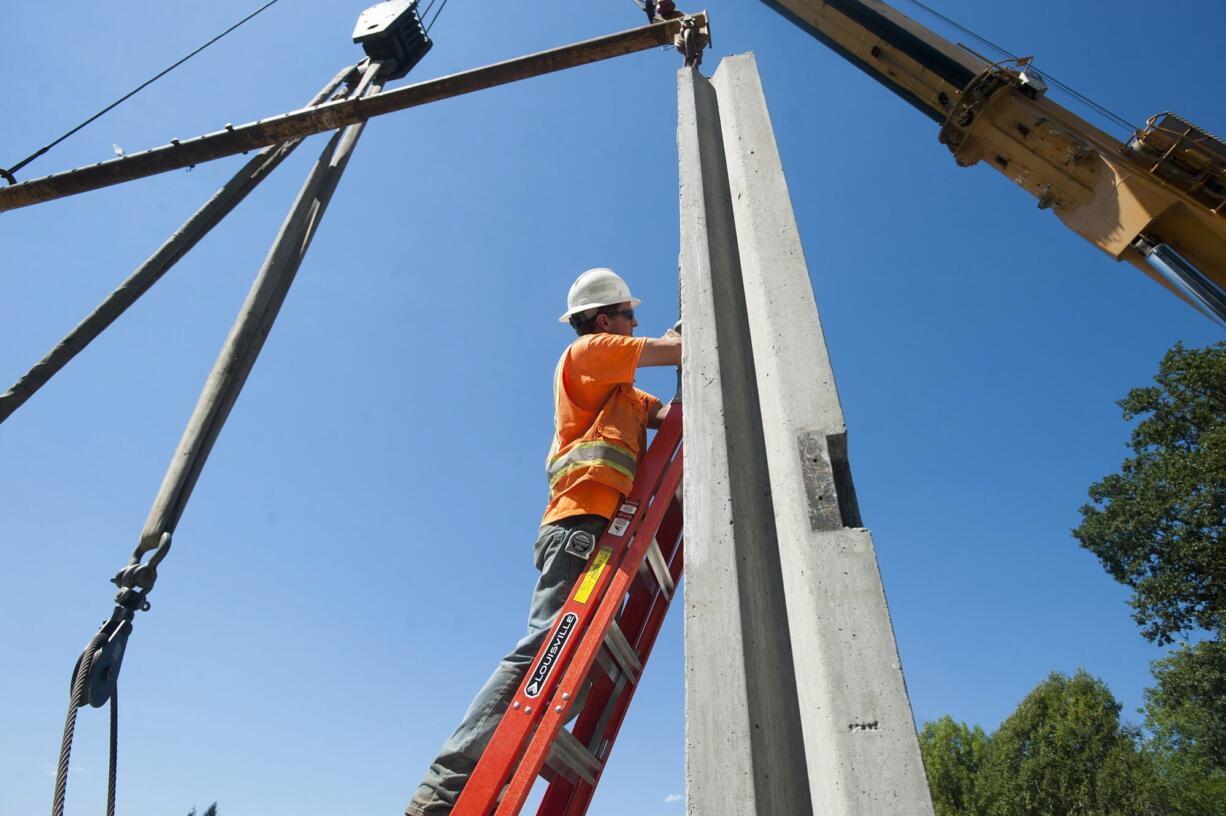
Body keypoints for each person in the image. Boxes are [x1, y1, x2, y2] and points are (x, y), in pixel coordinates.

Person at [405, 268, 682, 815]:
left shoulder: (623, 393)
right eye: (629, 314)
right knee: (541, 654)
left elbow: (670, 413)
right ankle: (442, 791)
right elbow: (673, 350)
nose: (636, 322)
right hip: (578, 527)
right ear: (605, 320)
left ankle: (493, 782)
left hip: (598, 530)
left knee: (568, 679)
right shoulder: (588, 355)